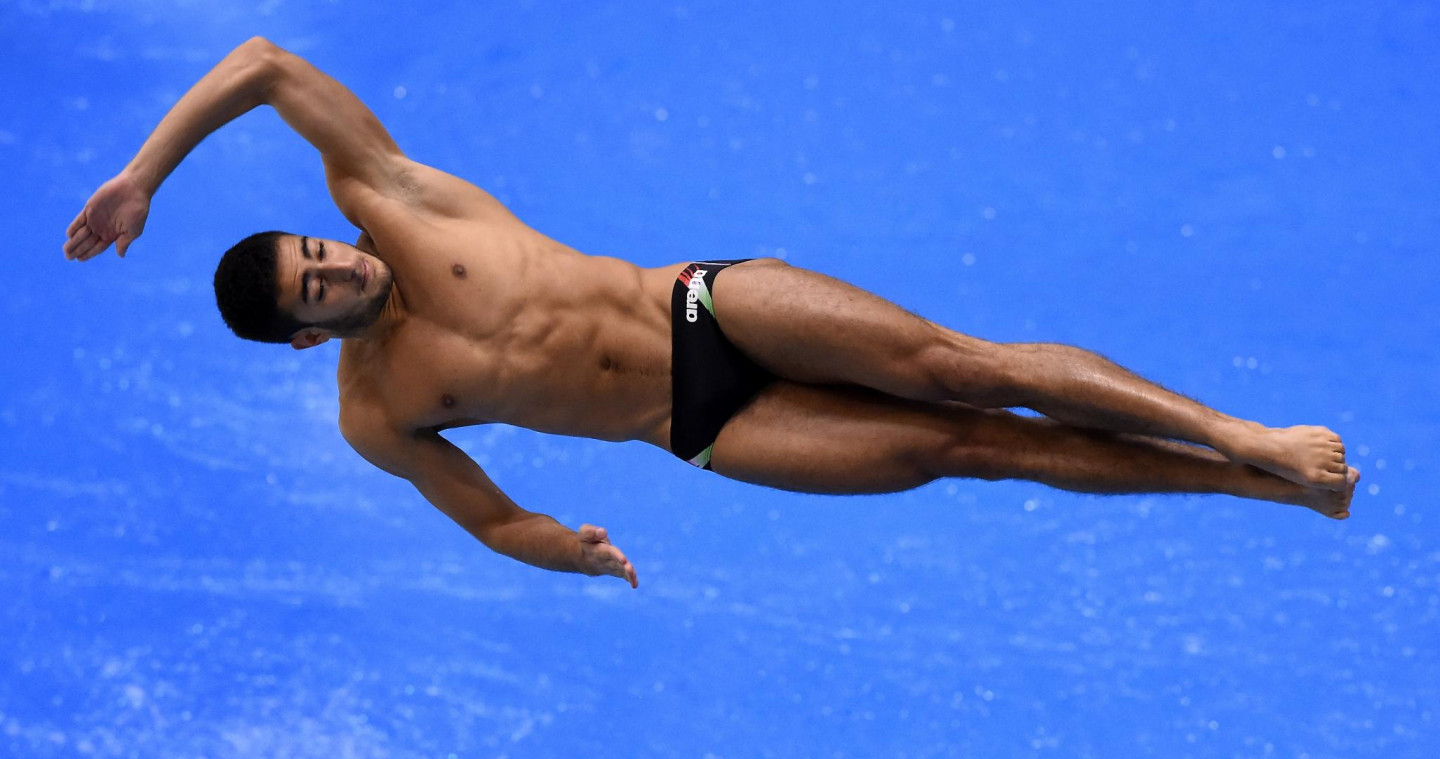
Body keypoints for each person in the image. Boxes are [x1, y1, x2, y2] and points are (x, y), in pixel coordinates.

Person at [64, 38, 1357, 590]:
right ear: (308, 337)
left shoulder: (392, 203)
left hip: (700, 308)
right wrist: (562, 550)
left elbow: (265, 66)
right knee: (967, 449)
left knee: (958, 368)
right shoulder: (379, 413)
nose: (340, 270)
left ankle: (1238, 432)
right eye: (319, 290)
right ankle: (1257, 489)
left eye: (317, 253)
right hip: (695, 426)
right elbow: (485, 515)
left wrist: (145, 174)